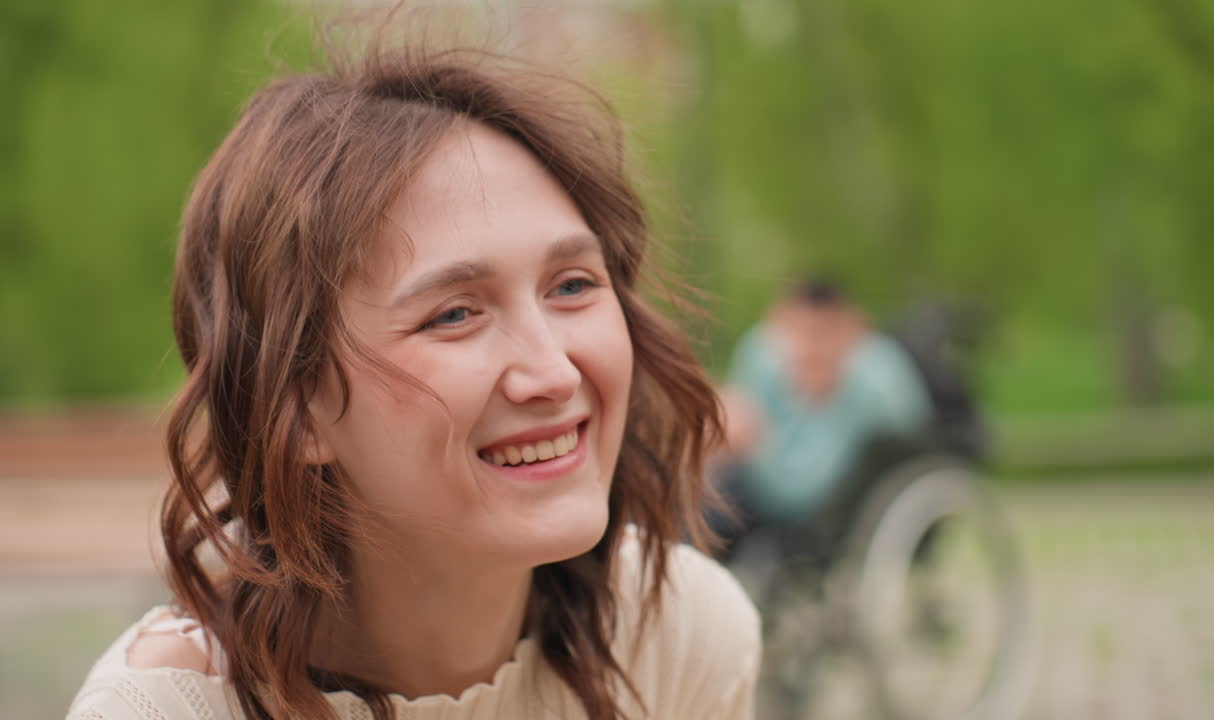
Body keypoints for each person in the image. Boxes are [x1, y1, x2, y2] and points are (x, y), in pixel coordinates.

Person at [66, 28, 760, 720]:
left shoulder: (678, 639)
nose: (551, 371)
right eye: (455, 314)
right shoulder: (165, 710)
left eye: (572, 285)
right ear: (297, 410)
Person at [712, 280, 933, 563]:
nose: (809, 348)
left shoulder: (881, 384)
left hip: (837, 506)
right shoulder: (762, 356)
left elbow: (801, 493)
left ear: (852, 330)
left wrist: (754, 445)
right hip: (759, 488)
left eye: (822, 334)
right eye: (797, 332)